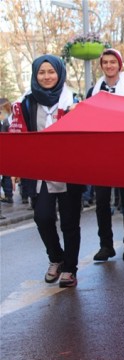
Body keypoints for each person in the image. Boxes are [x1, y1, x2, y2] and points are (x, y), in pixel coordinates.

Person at [9, 54, 83, 287]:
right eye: (42, 72)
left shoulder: (75, 100)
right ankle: (56, 258)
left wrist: (77, 113)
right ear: (35, 75)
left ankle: (70, 269)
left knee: (70, 222)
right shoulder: (26, 103)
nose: (47, 76)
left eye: (51, 72)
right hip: (40, 172)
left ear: (60, 73)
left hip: (70, 171)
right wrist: (14, 167)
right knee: (43, 217)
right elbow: (17, 137)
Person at [86, 48, 124, 261]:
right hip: (102, 152)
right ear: (102, 66)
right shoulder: (93, 90)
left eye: (113, 62)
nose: (109, 66)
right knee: (101, 201)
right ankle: (106, 245)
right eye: (105, 62)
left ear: (119, 65)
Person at [0, 98, 14, 204]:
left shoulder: (6, 121)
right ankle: (9, 195)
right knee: (6, 175)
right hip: (8, 150)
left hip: (5, 149)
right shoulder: (13, 118)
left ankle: (8, 195)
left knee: (6, 175)